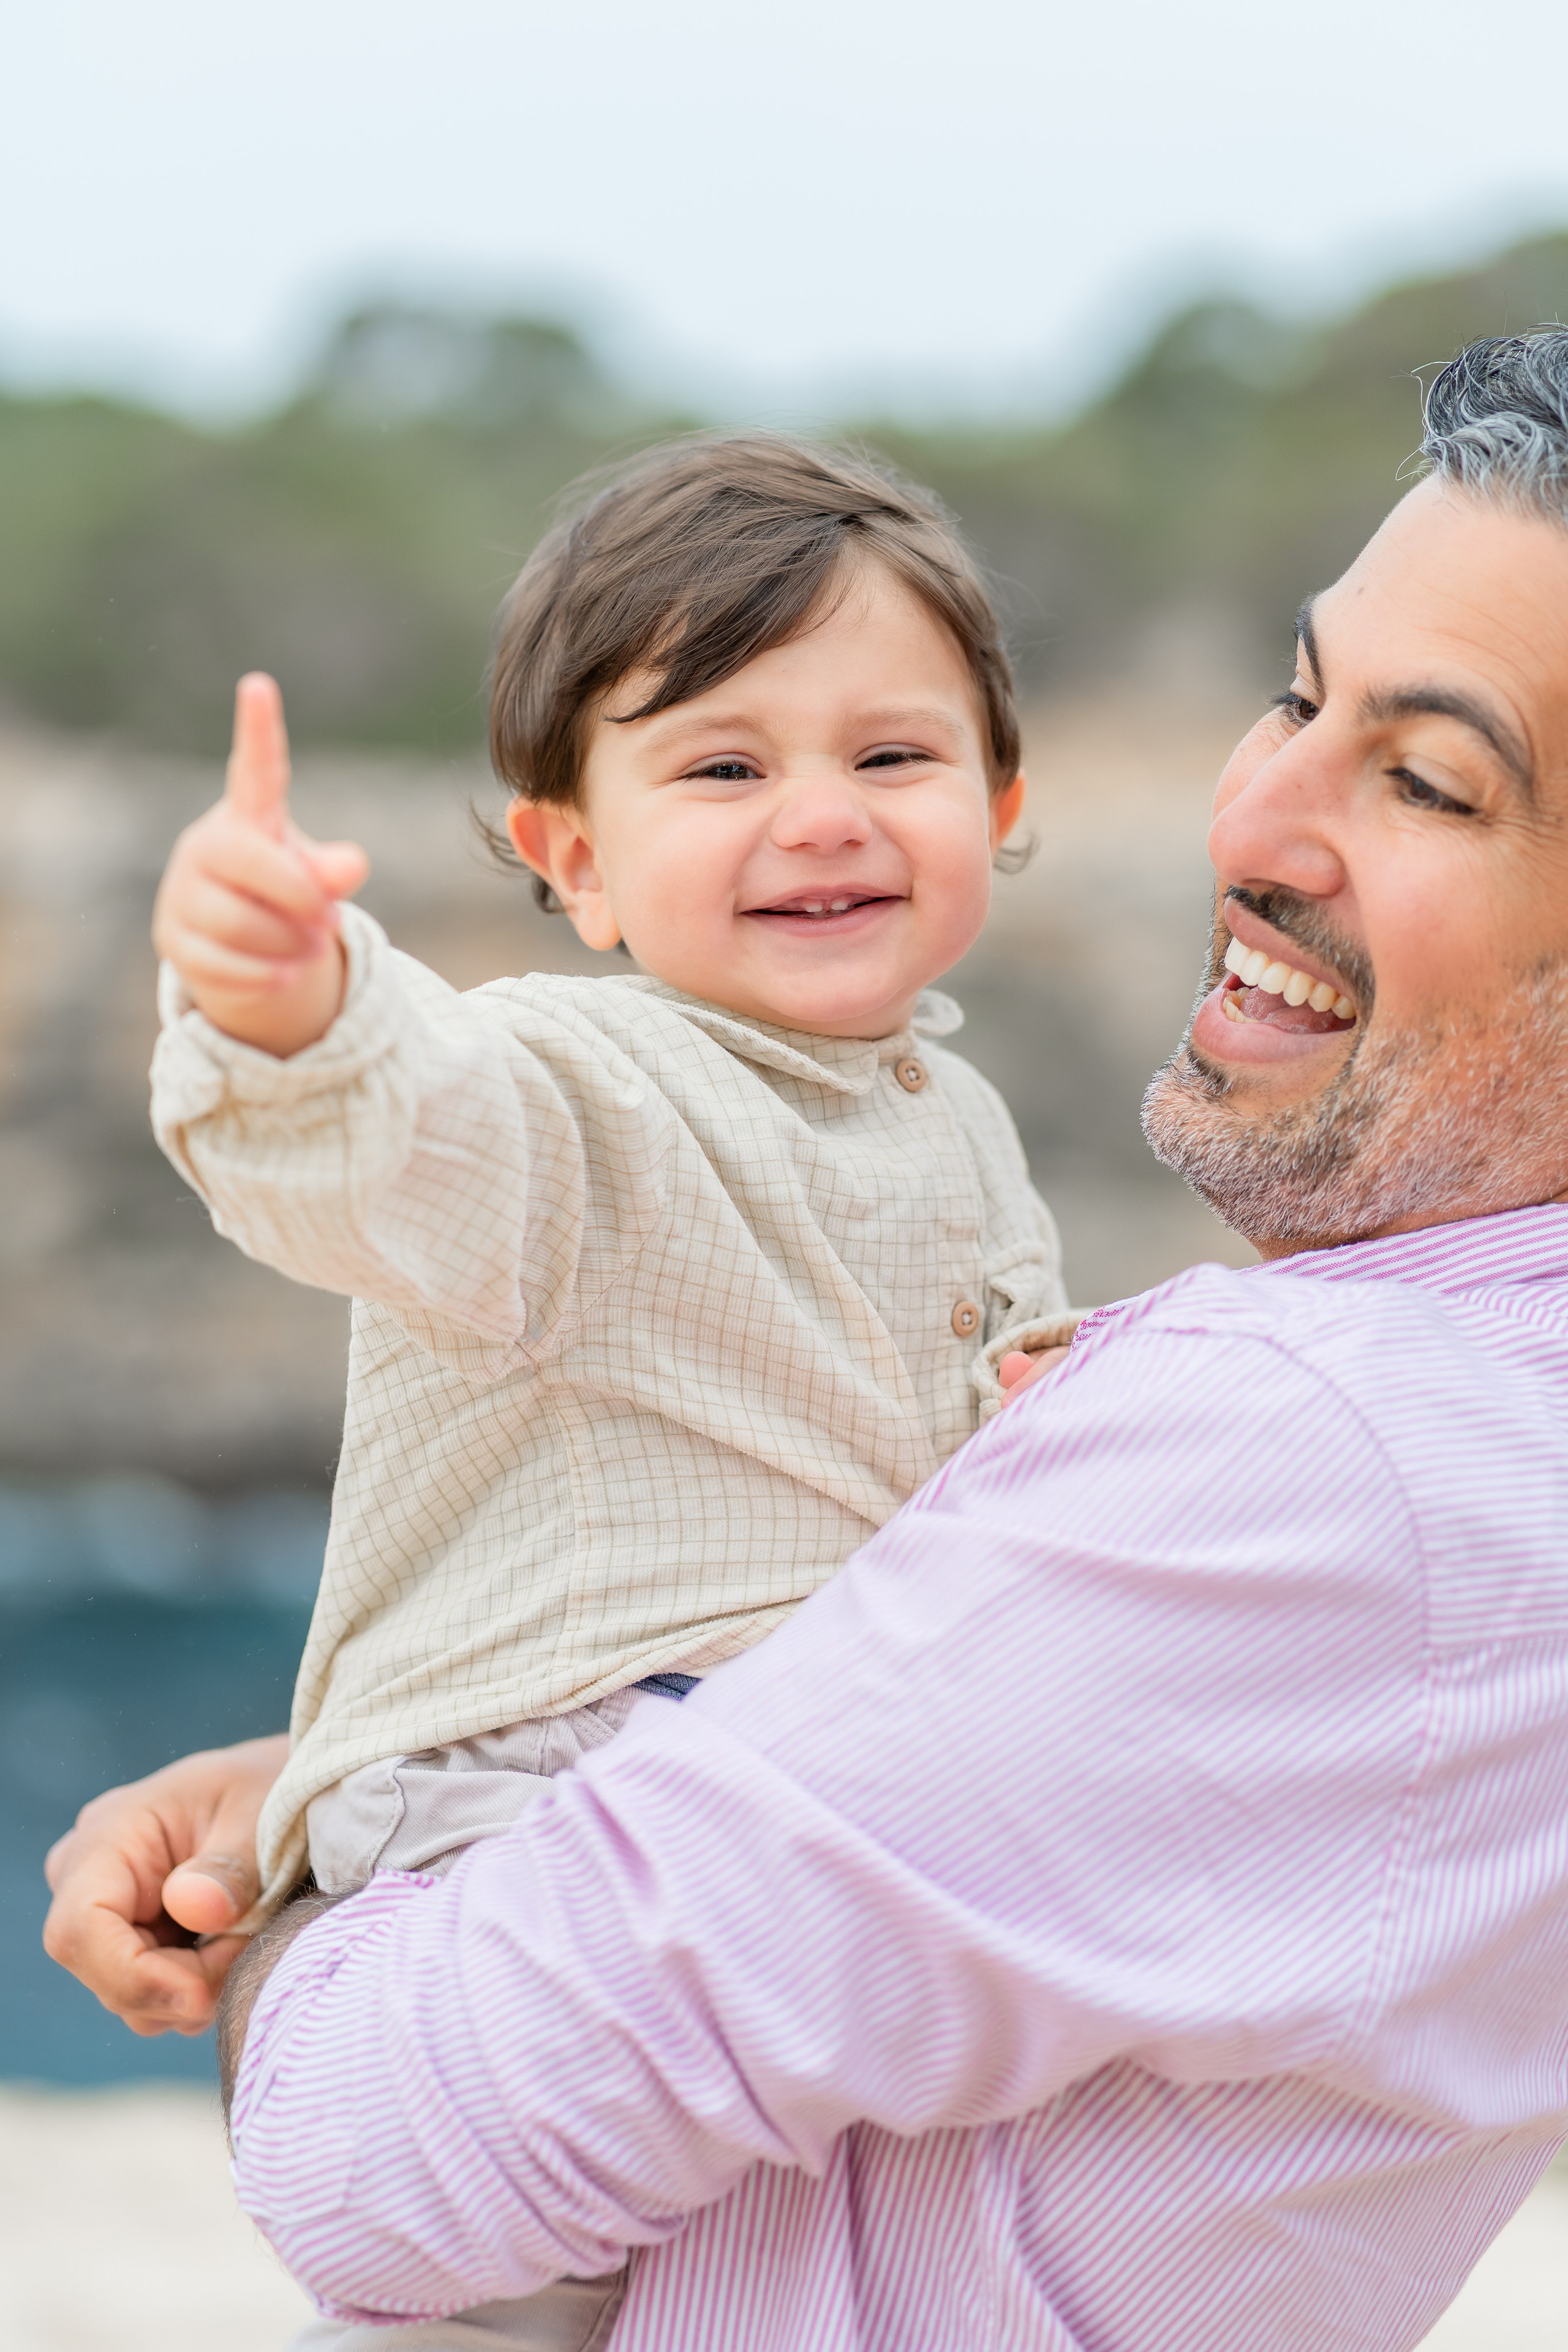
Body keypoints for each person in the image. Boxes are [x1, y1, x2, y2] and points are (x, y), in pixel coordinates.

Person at [45, 328, 1568, 2351]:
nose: (1253, 815)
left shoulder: (1314, 1442)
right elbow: (413, 1135)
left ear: (997, 798)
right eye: (1294, 696)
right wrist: (293, 1020)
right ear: (565, 858)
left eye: (1427, 777)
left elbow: (377, 2162)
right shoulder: (592, 1077)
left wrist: (299, 1923)